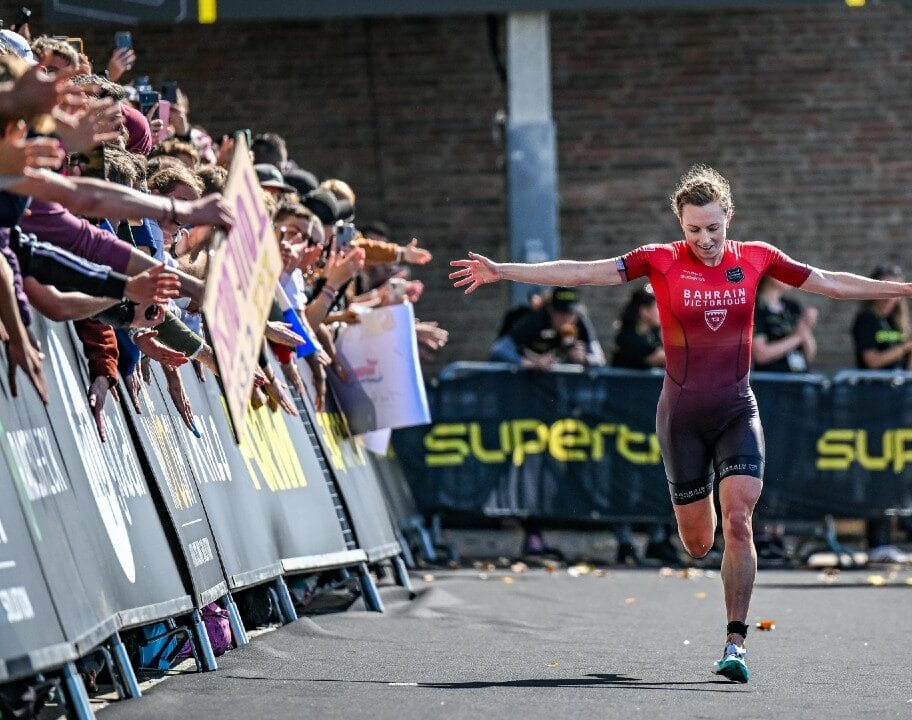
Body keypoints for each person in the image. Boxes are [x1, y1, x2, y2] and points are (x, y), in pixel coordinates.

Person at [449, 164, 912, 683]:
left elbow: (829, 282)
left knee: (739, 518)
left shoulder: (756, 259)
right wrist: (505, 271)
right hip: (681, 418)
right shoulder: (660, 261)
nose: (706, 240)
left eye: (714, 228)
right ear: (680, 225)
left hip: (738, 408)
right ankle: (699, 519)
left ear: (728, 219)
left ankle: (735, 643)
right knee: (697, 542)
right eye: (694, 230)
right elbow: (582, 271)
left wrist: (906, 291)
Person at [610, 285, 677, 565]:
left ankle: (658, 537)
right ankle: (625, 540)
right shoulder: (628, 338)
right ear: (643, 311)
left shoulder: (653, 335)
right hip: (626, 422)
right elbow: (660, 356)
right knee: (625, 480)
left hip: (654, 419)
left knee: (657, 477)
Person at [851, 264, 912, 563]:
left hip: (898, 407)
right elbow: (872, 360)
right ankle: (877, 540)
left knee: (900, 471)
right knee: (878, 470)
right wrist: (904, 348)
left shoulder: (897, 323)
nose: (890, 297)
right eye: (885, 288)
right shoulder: (867, 321)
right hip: (874, 409)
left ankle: (897, 532)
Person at [753, 275, 817, 372]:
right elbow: (761, 355)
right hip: (771, 380)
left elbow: (809, 353)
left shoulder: (792, 307)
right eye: (784, 271)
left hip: (800, 378)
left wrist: (806, 324)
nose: (790, 275)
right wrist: (797, 337)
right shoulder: (755, 308)